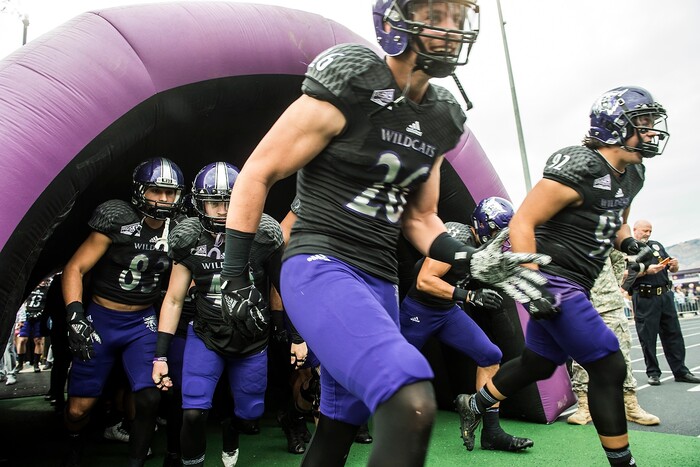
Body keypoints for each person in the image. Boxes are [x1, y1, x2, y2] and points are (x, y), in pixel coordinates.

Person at [219, 2, 550, 465]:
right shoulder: (353, 80)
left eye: (457, 18)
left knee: (340, 424)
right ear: (394, 21)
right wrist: (234, 275)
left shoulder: (441, 115)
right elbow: (258, 172)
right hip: (321, 263)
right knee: (410, 396)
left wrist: (469, 261)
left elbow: (421, 218)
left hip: (381, 280)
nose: (450, 29)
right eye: (436, 15)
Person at [455, 86, 671, 467]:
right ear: (615, 126)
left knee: (539, 363)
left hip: (579, 283)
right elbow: (524, 220)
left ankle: (474, 403)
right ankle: (624, 463)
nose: (652, 131)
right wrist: (532, 278)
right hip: (554, 277)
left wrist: (630, 246)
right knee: (608, 365)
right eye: (643, 123)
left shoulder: (634, 173)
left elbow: (617, 224)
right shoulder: (581, 164)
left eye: (653, 123)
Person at [152, 161, 285, 467]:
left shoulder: (263, 234)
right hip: (207, 335)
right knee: (193, 411)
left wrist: (296, 336)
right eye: (215, 202)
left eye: (231, 202)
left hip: (251, 341)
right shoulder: (188, 237)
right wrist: (160, 356)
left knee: (249, 415)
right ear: (200, 203)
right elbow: (173, 299)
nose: (223, 211)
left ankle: (231, 428)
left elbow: (284, 287)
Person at [61, 157, 185, 467]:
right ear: (140, 191)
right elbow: (75, 267)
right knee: (79, 409)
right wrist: (75, 314)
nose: (165, 199)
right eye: (157, 191)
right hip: (101, 318)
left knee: (150, 397)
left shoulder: (180, 228)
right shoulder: (117, 217)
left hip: (141, 321)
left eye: (170, 193)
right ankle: (74, 447)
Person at [401, 197, 534, 452]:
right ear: (483, 225)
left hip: (446, 311)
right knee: (391, 369)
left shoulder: (486, 249)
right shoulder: (458, 236)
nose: (500, 239)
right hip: (419, 311)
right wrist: (470, 296)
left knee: (490, 354)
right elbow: (424, 281)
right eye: (497, 231)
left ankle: (492, 433)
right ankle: (354, 421)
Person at [567, 249, 660, 426]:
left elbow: (618, 260)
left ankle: (630, 405)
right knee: (580, 356)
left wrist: (612, 287)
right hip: (579, 303)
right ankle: (584, 407)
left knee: (622, 352)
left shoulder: (601, 234)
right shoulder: (563, 236)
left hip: (610, 304)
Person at [625, 219, 700, 385]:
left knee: (674, 334)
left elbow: (672, 270)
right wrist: (646, 271)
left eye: (650, 231)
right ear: (635, 229)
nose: (648, 234)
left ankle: (680, 371)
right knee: (648, 336)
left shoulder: (656, 246)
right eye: (645, 230)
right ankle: (653, 372)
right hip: (644, 296)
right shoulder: (628, 249)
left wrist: (674, 266)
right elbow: (625, 275)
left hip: (665, 295)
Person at [15, 277, 52, 373]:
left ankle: (36, 364)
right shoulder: (31, 287)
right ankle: (20, 364)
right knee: (22, 339)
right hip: (27, 316)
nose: (44, 281)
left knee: (38, 340)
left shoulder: (47, 290)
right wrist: (21, 318)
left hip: (39, 317)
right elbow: (23, 302)